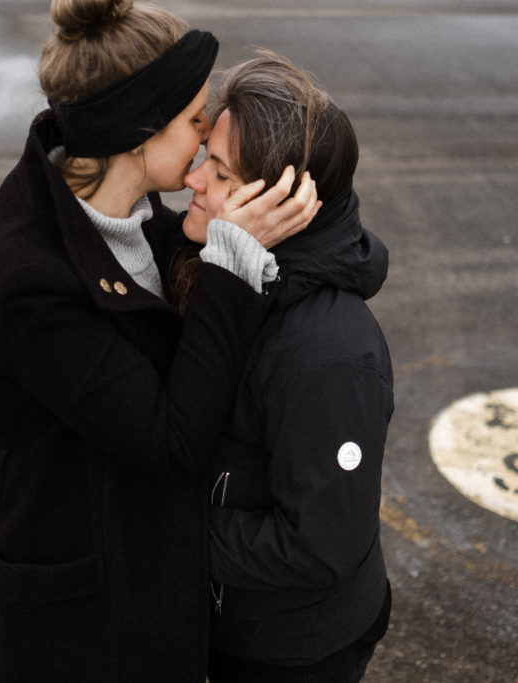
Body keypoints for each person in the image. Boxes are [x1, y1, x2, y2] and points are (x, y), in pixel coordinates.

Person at [0, 1, 320, 680]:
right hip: (76, 621)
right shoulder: (28, 283)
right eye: (194, 119)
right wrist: (234, 256)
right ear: (138, 133)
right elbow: (171, 439)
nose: (208, 132)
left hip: (136, 575)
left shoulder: (123, 213)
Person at [177, 51, 394, 682]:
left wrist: (167, 530)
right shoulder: (228, 267)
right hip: (227, 623)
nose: (192, 181)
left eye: (217, 172)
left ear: (278, 201)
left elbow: (319, 545)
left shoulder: (329, 356)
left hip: (289, 651)